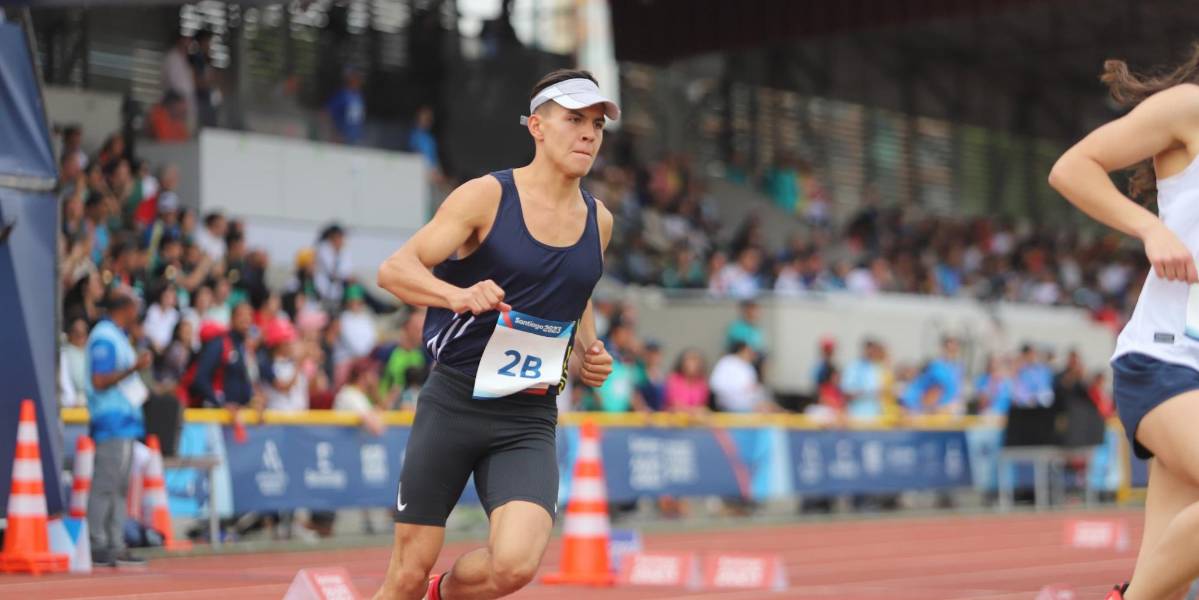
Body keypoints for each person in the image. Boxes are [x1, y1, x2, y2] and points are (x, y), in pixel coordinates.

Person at [373, 69, 618, 600]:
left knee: (514, 566)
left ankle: (440, 596)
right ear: (537, 126)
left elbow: (578, 288)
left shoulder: (599, 220)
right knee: (405, 576)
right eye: (574, 119)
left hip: (529, 416)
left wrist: (588, 352)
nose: (588, 134)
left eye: (597, 125)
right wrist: (455, 295)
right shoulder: (486, 196)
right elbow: (395, 270)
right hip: (454, 403)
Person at [1047, 49, 1199, 600]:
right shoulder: (1188, 107)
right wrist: (1150, 229)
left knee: (1166, 589)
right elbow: (1072, 168)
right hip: (1165, 362)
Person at [85, 290, 151, 567]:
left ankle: (115, 543)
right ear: (123, 308)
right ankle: (97, 544)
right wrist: (133, 368)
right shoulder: (105, 336)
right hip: (111, 421)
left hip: (124, 422)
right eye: (134, 307)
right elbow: (99, 380)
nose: (137, 313)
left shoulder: (118, 336)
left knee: (120, 487)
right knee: (106, 484)